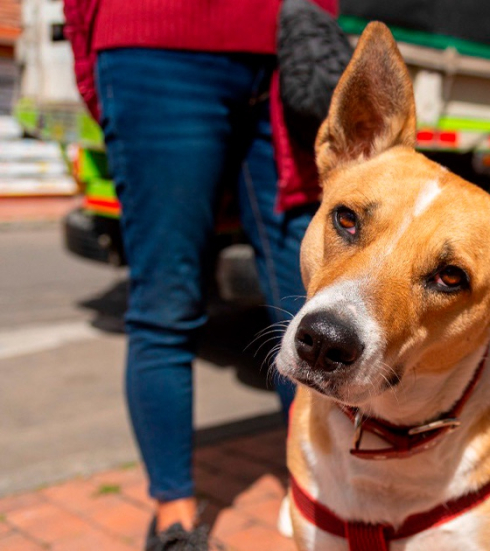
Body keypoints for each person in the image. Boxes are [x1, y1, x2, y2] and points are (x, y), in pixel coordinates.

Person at [64, 0, 328, 546]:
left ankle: (324, 492)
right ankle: (175, 520)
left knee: (309, 300)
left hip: (281, 53)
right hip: (157, 44)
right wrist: (95, 63)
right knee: (166, 302)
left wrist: (313, 22)